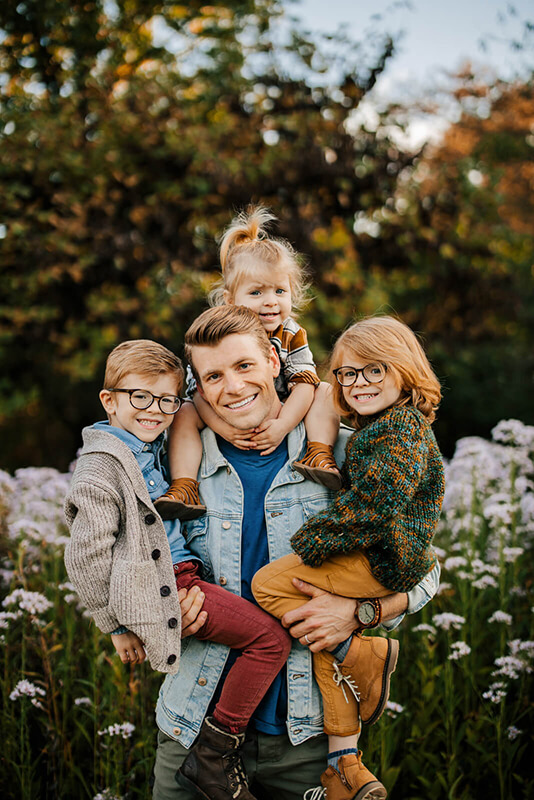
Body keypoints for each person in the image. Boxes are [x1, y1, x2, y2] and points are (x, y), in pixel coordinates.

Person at [153, 306, 442, 800]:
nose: (234, 387)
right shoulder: (177, 466)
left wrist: (359, 613)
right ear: (197, 389)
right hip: (192, 726)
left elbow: (425, 570)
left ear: (272, 359)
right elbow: (124, 553)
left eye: (244, 366)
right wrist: (164, 604)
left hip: (308, 740)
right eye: (214, 376)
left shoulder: (344, 452)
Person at [63, 339, 292, 800]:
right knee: (269, 640)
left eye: (167, 401)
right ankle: (214, 751)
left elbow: (198, 408)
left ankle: (216, 746)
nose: (155, 410)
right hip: (173, 583)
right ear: (109, 400)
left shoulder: (154, 442)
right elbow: (85, 555)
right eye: (141, 398)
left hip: (188, 577)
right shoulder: (100, 469)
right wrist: (116, 623)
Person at [252, 315, 445, 799]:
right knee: (321, 637)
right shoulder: (376, 428)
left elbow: (377, 505)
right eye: (347, 373)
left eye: (373, 370)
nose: (358, 383)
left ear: (404, 371)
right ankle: (343, 765)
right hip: (381, 559)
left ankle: (360, 652)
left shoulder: (400, 428)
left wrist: (314, 539)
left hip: (379, 561)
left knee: (268, 586)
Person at [154, 206, 341, 523]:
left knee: (323, 390)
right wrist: (225, 430)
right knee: (183, 412)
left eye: (280, 291)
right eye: (257, 292)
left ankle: (319, 452)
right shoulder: (209, 340)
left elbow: (304, 383)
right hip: (224, 417)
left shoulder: (291, 333)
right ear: (230, 300)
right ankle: (185, 484)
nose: (271, 301)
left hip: (283, 410)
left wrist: (282, 426)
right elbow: (199, 395)